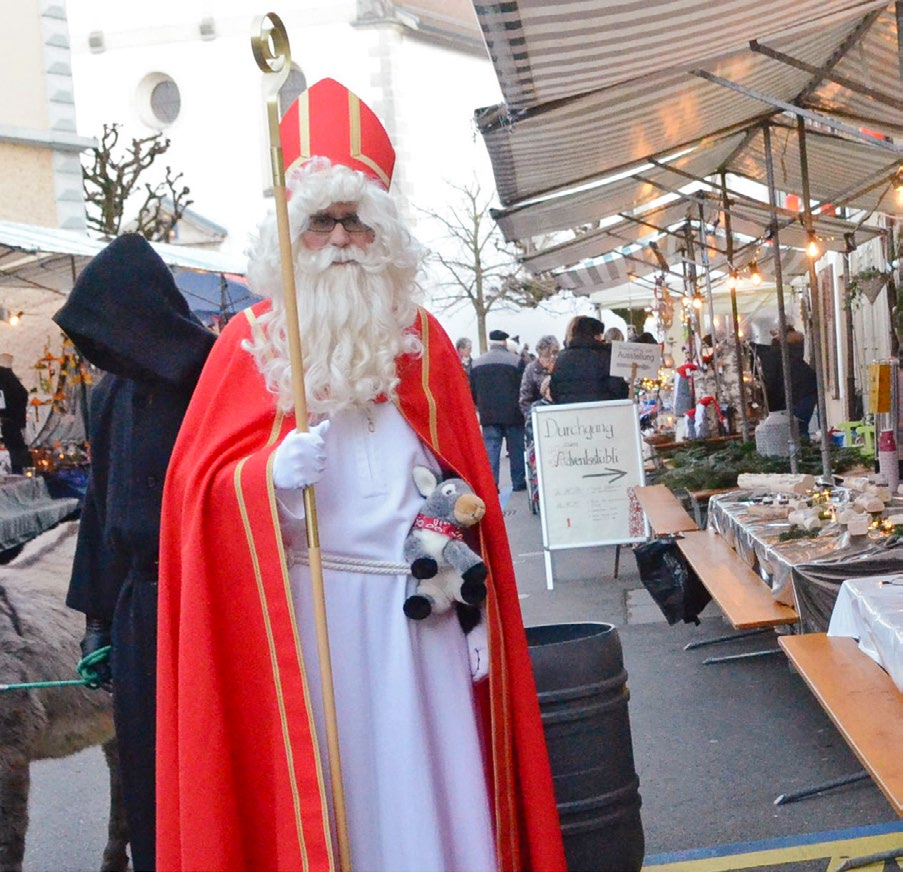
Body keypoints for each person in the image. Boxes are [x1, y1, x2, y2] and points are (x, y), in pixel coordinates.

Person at [156, 78, 565, 872]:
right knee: (337, 801)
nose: (339, 240)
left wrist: (464, 580)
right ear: (290, 232)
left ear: (381, 234)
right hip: (312, 621)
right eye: (320, 223)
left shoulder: (422, 340)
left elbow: (465, 483)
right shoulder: (247, 343)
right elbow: (194, 499)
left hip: (423, 620)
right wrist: (264, 479)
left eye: (355, 222)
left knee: (432, 794)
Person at [53, 233, 216, 872]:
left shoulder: (213, 377)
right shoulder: (108, 396)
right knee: (147, 762)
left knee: (204, 757)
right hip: (139, 607)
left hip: (204, 599)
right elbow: (99, 508)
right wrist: (97, 620)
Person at [470, 328, 528, 491]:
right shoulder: (516, 361)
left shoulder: (476, 363)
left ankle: (492, 483)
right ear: (504, 342)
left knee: (491, 449)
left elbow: (472, 389)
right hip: (513, 414)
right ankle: (518, 481)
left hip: (488, 414)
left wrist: (480, 405)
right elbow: (522, 387)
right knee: (516, 449)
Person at [549, 315, 630, 403]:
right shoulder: (604, 356)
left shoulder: (561, 359)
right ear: (595, 336)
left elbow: (554, 391)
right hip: (603, 411)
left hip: (571, 413)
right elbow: (619, 389)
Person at [0, 353, 30, 473]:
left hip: (10, 421)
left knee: (15, 450)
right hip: (8, 422)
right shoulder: (5, 376)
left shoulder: (8, 376)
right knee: (14, 451)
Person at [519, 333, 560, 420]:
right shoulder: (531, 369)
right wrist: (531, 419)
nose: (552, 358)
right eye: (547, 356)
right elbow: (525, 398)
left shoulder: (560, 366)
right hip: (539, 416)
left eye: (555, 354)